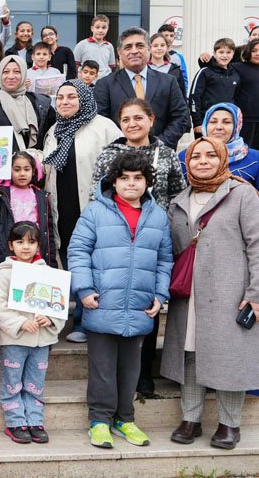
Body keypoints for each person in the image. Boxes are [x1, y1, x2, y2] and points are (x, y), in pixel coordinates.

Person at [68, 151, 172, 449]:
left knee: (131, 368)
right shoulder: (95, 212)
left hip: (140, 306)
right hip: (102, 303)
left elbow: (165, 260)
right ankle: (99, 421)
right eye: (124, 178)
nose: (131, 184)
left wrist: (159, 294)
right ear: (114, 181)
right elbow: (77, 252)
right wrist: (84, 289)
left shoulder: (157, 216)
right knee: (102, 367)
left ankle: (124, 419)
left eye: (138, 178)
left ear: (147, 182)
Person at [164, 137, 259, 450]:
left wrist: (255, 293)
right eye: (195, 157)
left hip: (229, 292)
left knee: (229, 357)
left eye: (209, 156)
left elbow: (257, 246)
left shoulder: (242, 194)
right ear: (187, 162)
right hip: (187, 294)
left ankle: (229, 424)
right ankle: (190, 419)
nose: (202, 161)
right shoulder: (178, 201)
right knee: (189, 354)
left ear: (222, 160)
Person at [43, 80, 121, 342]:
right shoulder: (54, 130)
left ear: (84, 98)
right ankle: (66, 318)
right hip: (62, 208)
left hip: (93, 208)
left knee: (92, 263)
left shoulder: (104, 127)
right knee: (67, 259)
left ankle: (85, 322)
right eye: (60, 97)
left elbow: (119, 167)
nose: (64, 102)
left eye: (71, 97)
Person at [0, 221, 64, 444]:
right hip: (15, 339)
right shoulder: (3, 275)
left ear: (38, 246)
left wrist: (50, 318)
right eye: (20, 242)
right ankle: (15, 421)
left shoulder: (49, 273)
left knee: (35, 383)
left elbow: (58, 305)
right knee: (12, 381)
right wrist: (20, 323)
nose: (25, 247)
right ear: (11, 245)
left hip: (42, 340)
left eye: (31, 242)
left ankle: (34, 419)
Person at [95, 27, 190, 150]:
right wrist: (126, 146)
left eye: (139, 46)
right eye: (128, 47)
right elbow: (101, 122)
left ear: (149, 49)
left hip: (161, 154)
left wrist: (158, 145)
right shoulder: (105, 84)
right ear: (119, 52)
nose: (134, 51)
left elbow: (181, 117)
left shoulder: (168, 81)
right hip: (121, 157)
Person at [92, 98, 186, 209]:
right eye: (126, 120)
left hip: (158, 224)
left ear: (151, 120)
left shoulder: (167, 154)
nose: (132, 124)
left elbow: (178, 194)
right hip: (118, 224)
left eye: (138, 118)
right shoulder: (108, 155)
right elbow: (96, 195)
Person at [0, 151, 57, 276]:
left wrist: (51, 262)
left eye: (26, 169)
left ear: (33, 171)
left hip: (34, 251)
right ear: (9, 171)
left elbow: (49, 232)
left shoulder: (41, 196)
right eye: (17, 169)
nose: (22, 173)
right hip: (10, 251)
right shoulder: (2, 194)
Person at [0, 55, 55, 152]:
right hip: (0, 165)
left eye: (17, 72)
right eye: (6, 72)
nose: (11, 76)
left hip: (33, 165)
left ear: (24, 74)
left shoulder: (38, 102)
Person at [178, 103, 259, 189]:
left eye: (226, 122)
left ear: (237, 126)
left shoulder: (255, 158)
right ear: (205, 125)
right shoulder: (186, 156)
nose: (219, 127)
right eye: (213, 122)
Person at [189, 38, 240, 135]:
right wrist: (197, 122)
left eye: (228, 52)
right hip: (206, 122)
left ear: (233, 54)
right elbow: (194, 97)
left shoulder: (235, 75)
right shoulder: (205, 72)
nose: (224, 55)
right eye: (221, 52)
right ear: (214, 53)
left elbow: (235, 99)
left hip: (227, 124)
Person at [73, 15, 115, 81]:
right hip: (86, 82)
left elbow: (111, 66)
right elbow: (75, 64)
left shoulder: (109, 46)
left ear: (107, 29)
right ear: (92, 28)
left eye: (104, 28)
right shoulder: (82, 44)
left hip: (104, 82)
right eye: (97, 27)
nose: (100, 30)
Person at [234, 38, 259, 149]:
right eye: (254, 50)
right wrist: (204, 58)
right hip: (247, 119)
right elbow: (219, 64)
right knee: (247, 151)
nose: (257, 53)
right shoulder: (238, 67)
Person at [148, 32, 185, 98]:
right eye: (155, 46)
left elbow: (182, 96)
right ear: (149, 48)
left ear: (167, 47)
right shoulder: (143, 68)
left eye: (162, 45)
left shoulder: (175, 70)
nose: (159, 48)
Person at [157, 23, 189, 93]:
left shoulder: (179, 57)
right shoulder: (153, 55)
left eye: (171, 36)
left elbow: (184, 79)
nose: (169, 38)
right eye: (166, 35)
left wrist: (185, 96)